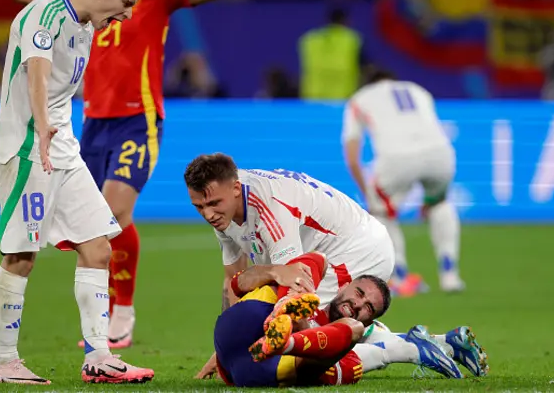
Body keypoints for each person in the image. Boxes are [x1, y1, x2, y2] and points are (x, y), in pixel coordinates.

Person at [0, 0, 231, 349]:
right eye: (124, 5)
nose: (128, 14)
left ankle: (122, 312)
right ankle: (61, 349)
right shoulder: (70, 4)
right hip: (89, 124)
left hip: (138, 119)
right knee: (81, 235)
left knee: (114, 213)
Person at [0, 0, 155, 385]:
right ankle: (5, 361)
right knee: (21, 256)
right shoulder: (43, 13)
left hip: (64, 152)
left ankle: (100, 356)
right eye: (125, 3)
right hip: (28, 150)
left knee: (99, 247)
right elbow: (38, 71)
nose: (127, 15)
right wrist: (43, 125)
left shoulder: (85, 27)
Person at [184, 153, 487, 379]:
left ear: (236, 189)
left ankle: (407, 350)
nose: (208, 214)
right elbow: (233, 281)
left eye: (213, 205)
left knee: (311, 353)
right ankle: (440, 342)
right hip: (341, 244)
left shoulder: (269, 209)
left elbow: (293, 286)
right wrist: (224, 350)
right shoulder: (224, 203)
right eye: (199, 207)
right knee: (308, 329)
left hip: (354, 248)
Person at [214, 252, 483, 387]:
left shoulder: (345, 353)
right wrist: (277, 275)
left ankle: (412, 348)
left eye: (368, 308)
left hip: (256, 368)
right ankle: (439, 343)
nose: (357, 304)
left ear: (370, 320)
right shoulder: (310, 294)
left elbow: (318, 370)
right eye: (359, 293)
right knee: (313, 262)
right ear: (345, 286)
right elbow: (239, 284)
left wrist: (299, 328)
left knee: (347, 341)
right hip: (246, 322)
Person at [342, 69, 465, 296]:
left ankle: (398, 277)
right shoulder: (418, 90)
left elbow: (352, 157)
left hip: (396, 158)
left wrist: (370, 197)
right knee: (440, 204)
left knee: (382, 212)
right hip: (441, 154)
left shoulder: (360, 98)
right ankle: (450, 275)